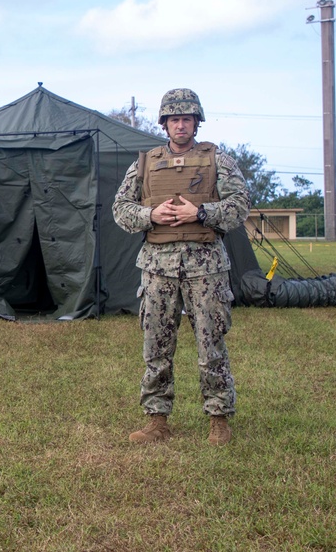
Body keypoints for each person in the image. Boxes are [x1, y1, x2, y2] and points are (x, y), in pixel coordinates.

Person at [112, 88, 250, 446]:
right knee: (156, 346)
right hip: (158, 267)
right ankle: (157, 420)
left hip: (206, 268)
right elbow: (120, 208)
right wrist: (150, 214)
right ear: (165, 123)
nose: (181, 125)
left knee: (211, 344)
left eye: (187, 118)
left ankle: (218, 419)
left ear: (196, 122)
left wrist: (201, 212)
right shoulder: (144, 163)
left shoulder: (218, 160)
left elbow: (240, 205)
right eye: (174, 119)